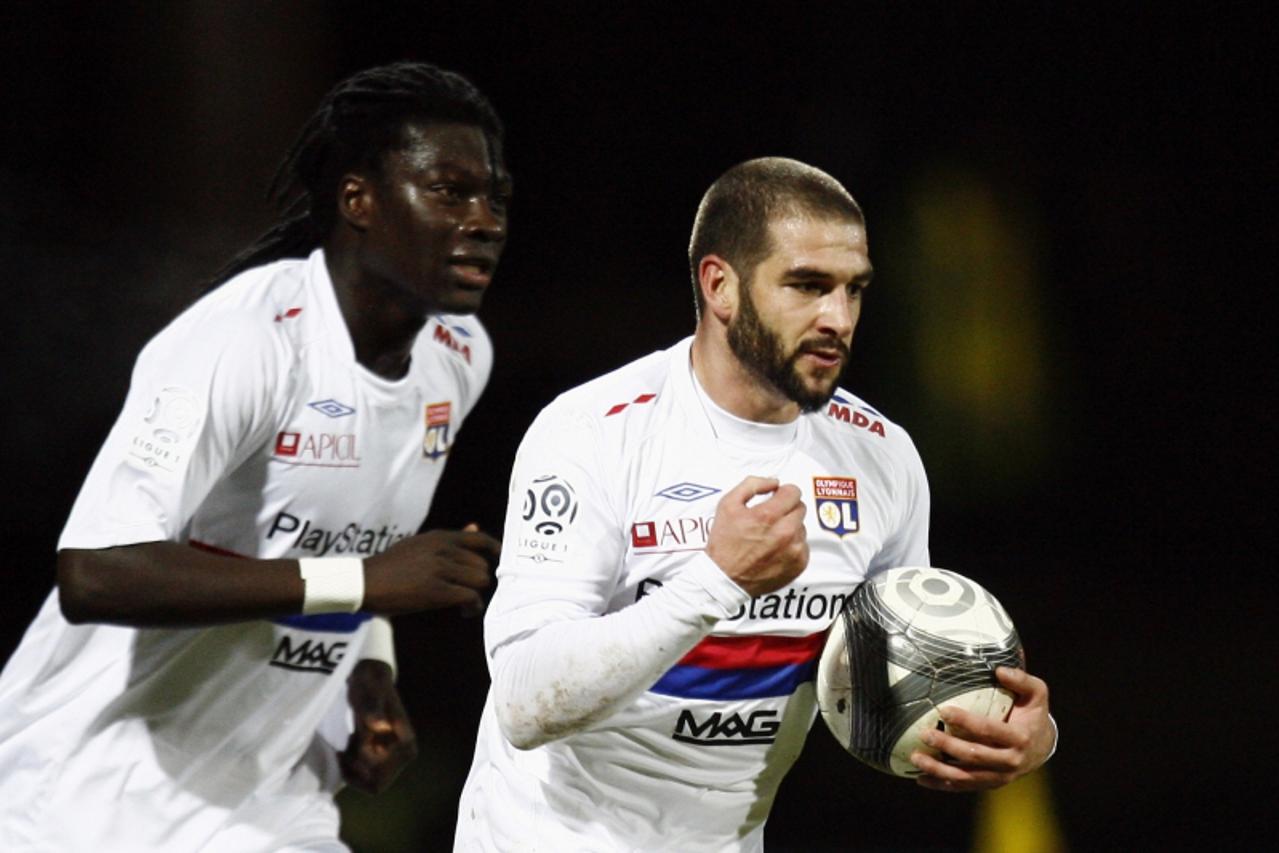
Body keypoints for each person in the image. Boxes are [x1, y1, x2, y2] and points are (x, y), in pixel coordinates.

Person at [453, 157, 1056, 851]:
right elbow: (525, 701)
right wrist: (716, 580)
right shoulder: (592, 431)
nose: (837, 317)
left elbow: (894, 683)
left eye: (853, 289)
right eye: (806, 285)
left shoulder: (880, 456)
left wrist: (1011, 732)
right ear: (720, 285)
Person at [0, 61, 511, 851]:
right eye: (449, 191)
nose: (484, 219)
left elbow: (358, 541)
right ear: (358, 200)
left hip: (268, 800)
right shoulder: (245, 341)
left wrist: (370, 674)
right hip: (89, 799)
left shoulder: (457, 356)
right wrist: (369, 584)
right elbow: (94, 571)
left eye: (493, 197)